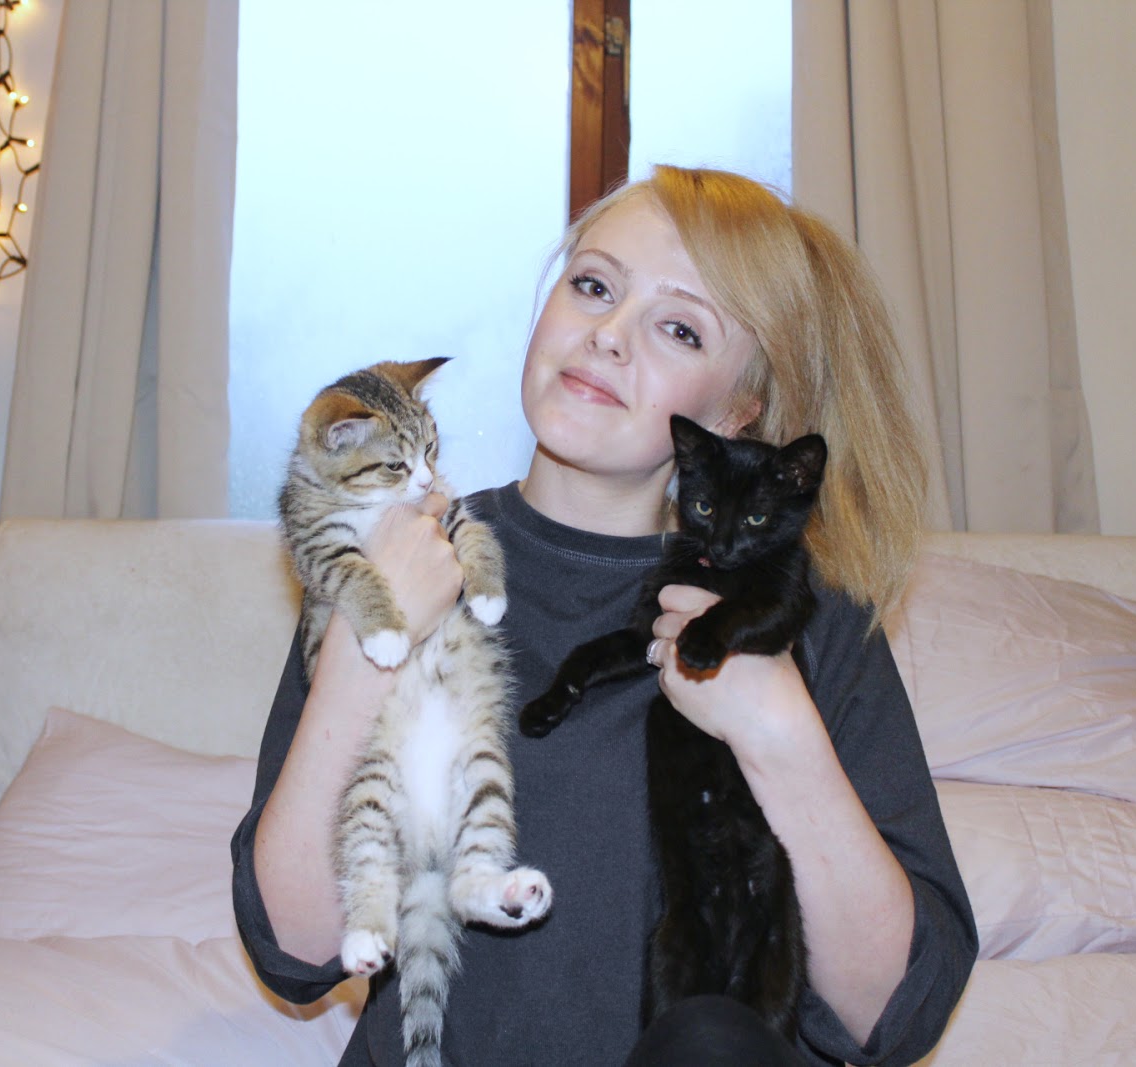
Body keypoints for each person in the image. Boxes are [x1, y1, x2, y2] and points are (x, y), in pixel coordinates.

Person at [232, 165, 977, 1066]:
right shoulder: (391, 562)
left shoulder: (798, 613)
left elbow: (897, 1015)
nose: (607, 335)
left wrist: (780, 735)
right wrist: (366, 645)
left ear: (739, 412)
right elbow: (296, 948)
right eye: (592, 286)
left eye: (678, 328)